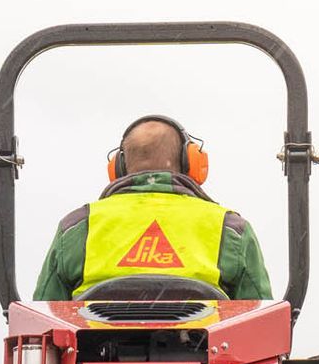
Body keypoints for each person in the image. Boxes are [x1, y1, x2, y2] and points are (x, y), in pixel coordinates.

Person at [33, 115, 272, 300]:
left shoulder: (77, 227)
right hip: (205, 349)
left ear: (118, 167)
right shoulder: (230, 229)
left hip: (95, 349)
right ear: (190, 162)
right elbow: (263, 322)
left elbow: (42, 318)